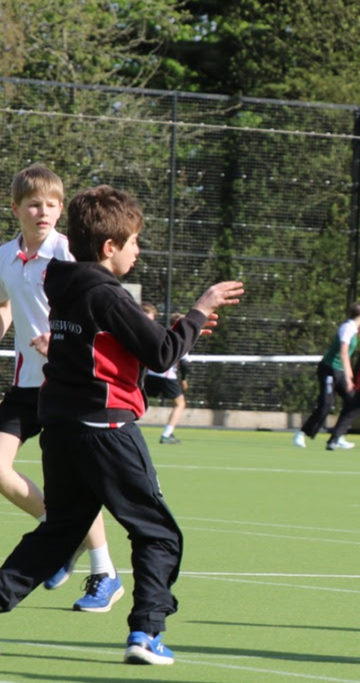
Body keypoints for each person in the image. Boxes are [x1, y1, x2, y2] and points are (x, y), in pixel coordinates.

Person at [0, 184, 244, 664]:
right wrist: (200, 310)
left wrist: (175, 327)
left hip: (62, 428)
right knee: (158, 534)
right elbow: (163, 354)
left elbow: (109, 344)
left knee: (58, 533)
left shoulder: (60, 282)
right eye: (134, 242)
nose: (138, 251)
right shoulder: (106, 293)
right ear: (109, 248)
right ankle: (146, 632)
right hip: (106, 429)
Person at [1, 164, 121, 612]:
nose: (44, 211)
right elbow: (4, 304)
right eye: (34, 204)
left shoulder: (69, 254)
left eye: (52, 204)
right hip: (25, 385)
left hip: (67, 384)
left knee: (76, 485)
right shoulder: (3, 257)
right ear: (16, 209)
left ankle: (104, 572)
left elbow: (96, 302)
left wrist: (63, 337)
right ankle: (59, 538)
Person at [293, 302, 360, 448]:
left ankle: (338, 436)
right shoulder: (347, 327)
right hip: (329, 369)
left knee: (353, 402)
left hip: (339, 371)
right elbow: (344, 352)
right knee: (326, 405)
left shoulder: (354, 329)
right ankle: (301, 434)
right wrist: (348, 375)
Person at [141, 305, 190, 445]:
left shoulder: (162, 332)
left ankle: (125, 423)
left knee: (140, 398)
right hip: (167, 377)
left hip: (151, 373)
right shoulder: (181, 338)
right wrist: (184, 379)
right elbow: (184, 363)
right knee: (180, 404)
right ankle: (167, 434)